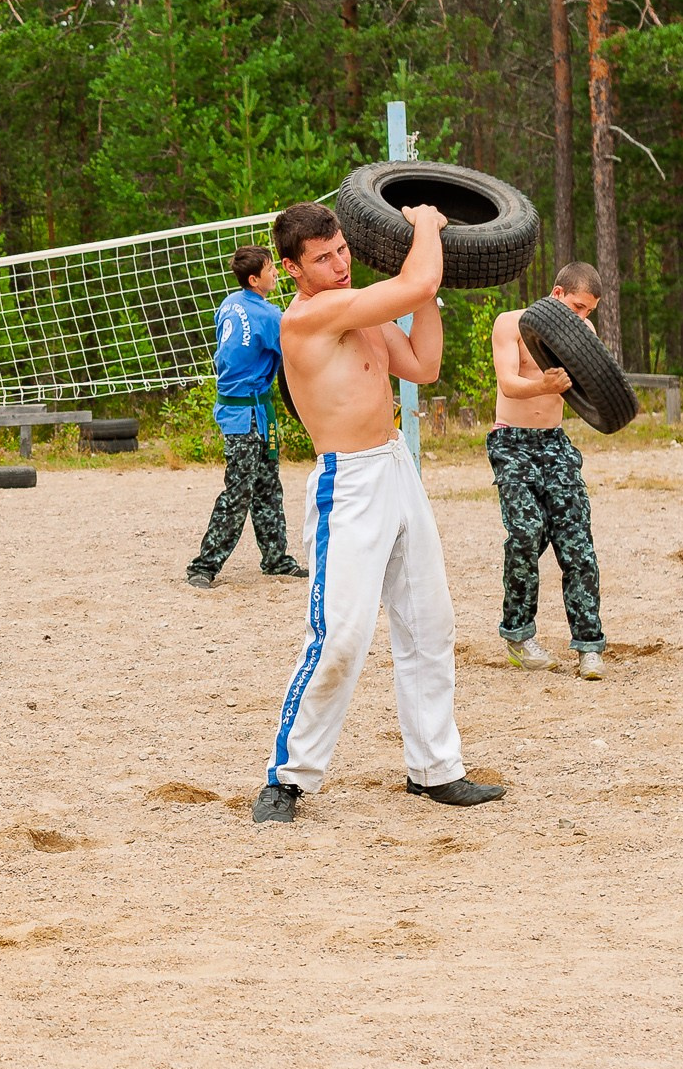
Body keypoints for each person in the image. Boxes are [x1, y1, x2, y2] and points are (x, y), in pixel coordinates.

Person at [253, 201, 502, 824]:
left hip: (396, 468)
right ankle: (288, 777)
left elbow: (425, 364)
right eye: (322, 258)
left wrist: (424, 292)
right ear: (291, 269)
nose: (338, 264)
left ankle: (434, 769)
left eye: (341, 250)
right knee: (339, 637)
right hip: (350, 482)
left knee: (429, 624)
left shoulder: (361, 308)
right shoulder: (310, 316)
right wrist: (424, 227)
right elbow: (417, 280)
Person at [488, 264, 608, 680]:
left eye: (588, 311)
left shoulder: (585, 335)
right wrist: (545, 384)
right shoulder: (510, 324)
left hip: (554, 442)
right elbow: (508, 382)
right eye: (577, 307)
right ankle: (519, 636)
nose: (582, 318)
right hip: (511, 442)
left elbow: (599, 390)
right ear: (557, 294)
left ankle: (589, 647)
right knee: (525, 533)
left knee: (577, 544)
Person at [187, 247, 310, 588]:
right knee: (239, 490)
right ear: (254, 279)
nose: (276, 274)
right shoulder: (270, 317)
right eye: (271, 269)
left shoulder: (230, 303)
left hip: (242, 408)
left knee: (267, 483)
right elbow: (295, 355)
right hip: (247, 413)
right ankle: (204, 565)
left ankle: (276, 559)